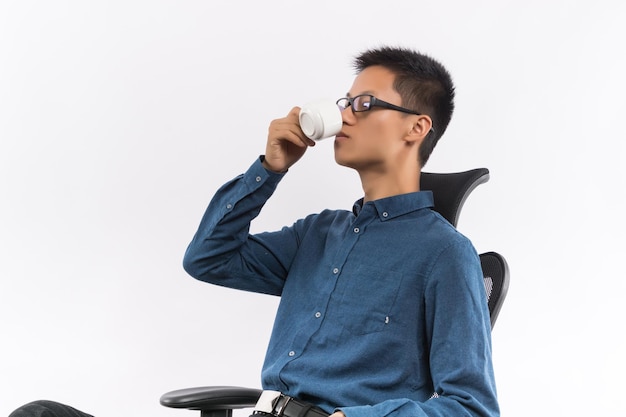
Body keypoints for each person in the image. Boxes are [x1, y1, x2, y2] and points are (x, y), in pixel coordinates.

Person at [9, 46, 499, 417]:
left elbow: (470, 405)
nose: (344, 115)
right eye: (344, 102)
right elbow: (207, 259)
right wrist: (270, 167)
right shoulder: (319, 232)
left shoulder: (445, 254)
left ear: (416, 128)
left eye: (365, 103)